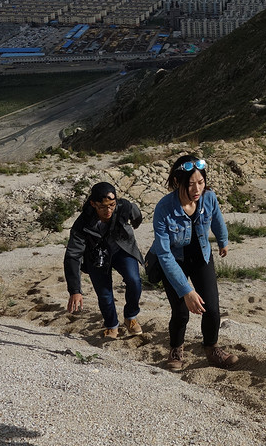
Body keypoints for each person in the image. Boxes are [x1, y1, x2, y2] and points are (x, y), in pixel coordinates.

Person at [150, 154, 238, 371]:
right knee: (180, 311)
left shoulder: (208, 198)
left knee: (213, 309)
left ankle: (212, 349)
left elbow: (217, 218)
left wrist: (223, 240)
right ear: (178, 182)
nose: (197, 189)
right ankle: (176, 350)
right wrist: (186, 290)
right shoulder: (163, 209)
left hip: (201, 256)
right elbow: (164, 254)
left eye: (201, 182)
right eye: (191, 184)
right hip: (173, 260)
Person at [64, 181, 144, 339]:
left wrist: (131, 226)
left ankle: (130, 317)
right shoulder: (82, 224)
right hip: (96, 256)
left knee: (134, 281)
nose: (108, 210)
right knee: (105, 294)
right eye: (102, 206)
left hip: (122, 249)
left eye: (112, 205)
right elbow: (72, 255)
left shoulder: (124, 207)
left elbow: (137, 217)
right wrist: (75, 290)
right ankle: (111, 325)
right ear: (93, 204)